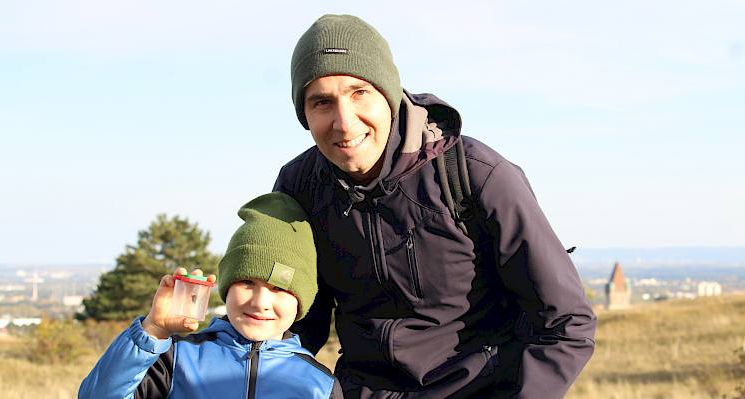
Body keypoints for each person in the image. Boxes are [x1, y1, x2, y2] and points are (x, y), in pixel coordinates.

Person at [274, 14, 597, 398]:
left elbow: (566, 322)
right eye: (322, 102)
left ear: (389, 96)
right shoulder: (300, 187)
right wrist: (190, 343)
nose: (344, 123)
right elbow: (287, 326)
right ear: (305, 115)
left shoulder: (476, 174)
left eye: (359, 92)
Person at [79, 192, 343, 399]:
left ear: (301, 301)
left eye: (279, 289)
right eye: (247, 282)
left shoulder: (319, 384)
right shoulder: (178, 360)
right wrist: (152, 331)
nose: (260, 302)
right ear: (226, 288)